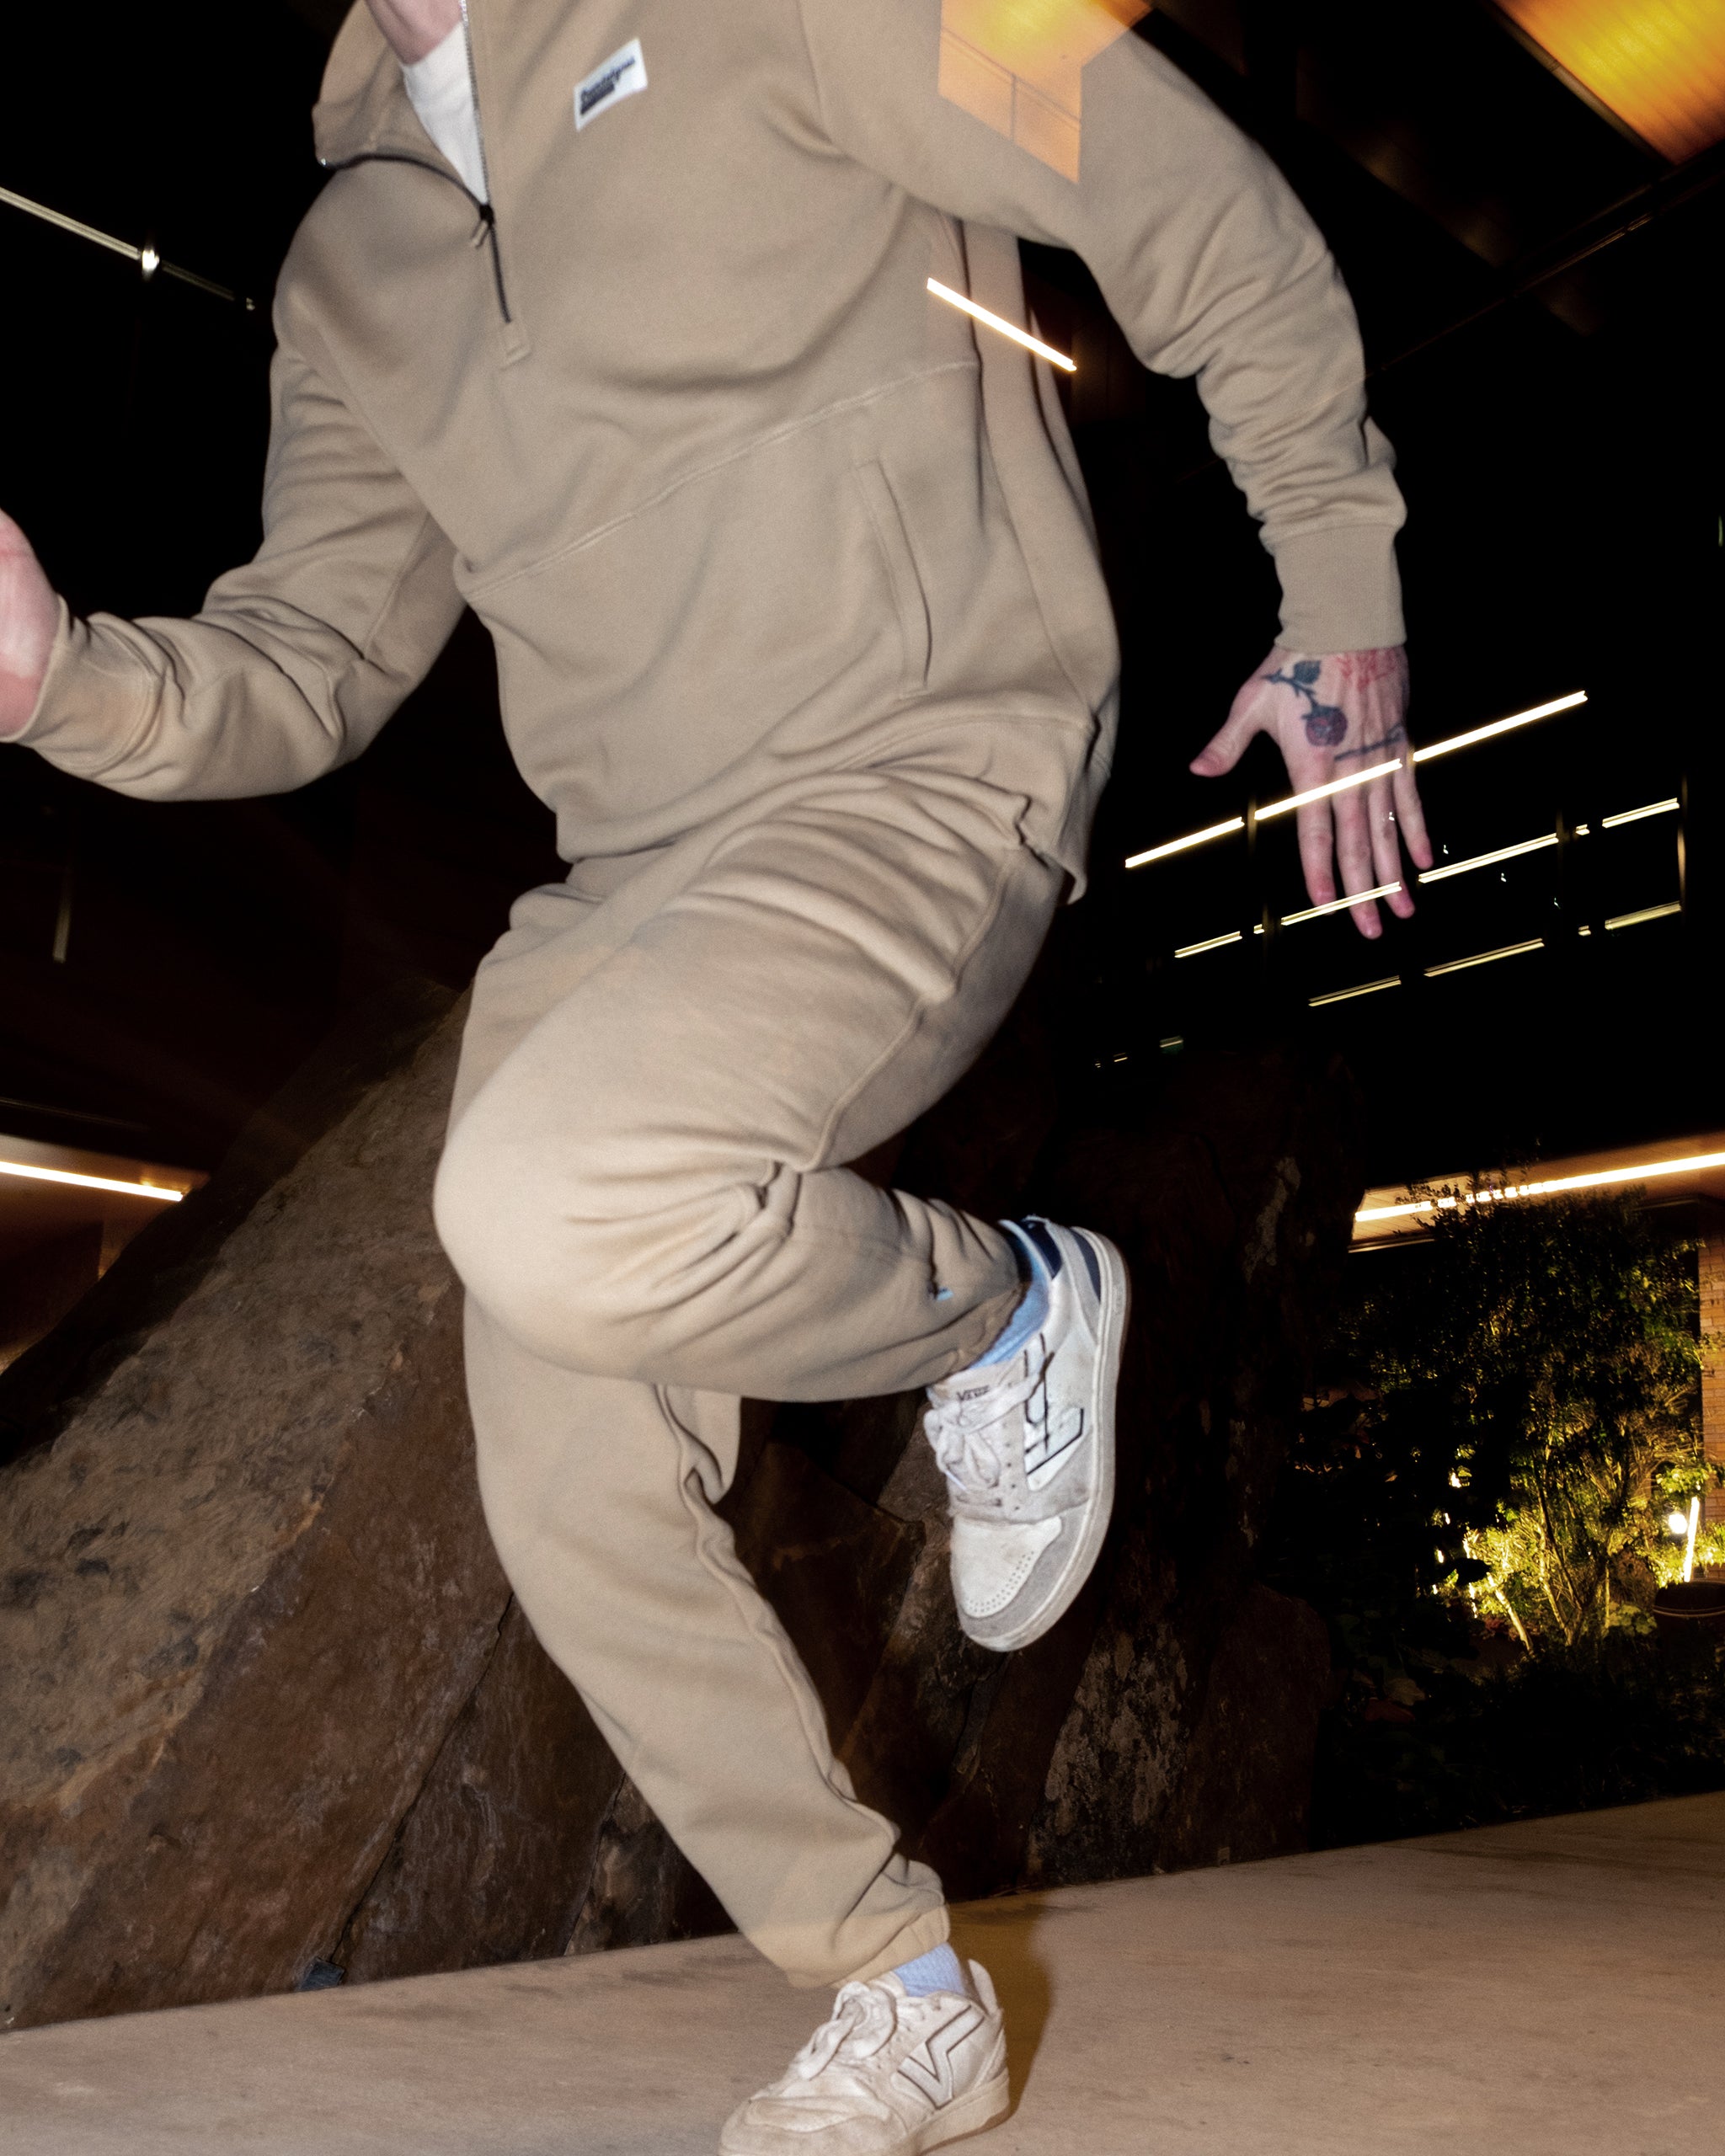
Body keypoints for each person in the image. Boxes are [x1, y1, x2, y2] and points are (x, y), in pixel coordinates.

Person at [0, 2, 1431, 2147]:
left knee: (544, 1196)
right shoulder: (350, 259)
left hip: (925, 764)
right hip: (642, 883)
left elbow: (1173, 181)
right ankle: (895, 1980)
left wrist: (1339, 576)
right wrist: (56, 680)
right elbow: (309, 661)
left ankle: (1013, 1301)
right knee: (562, 1469)